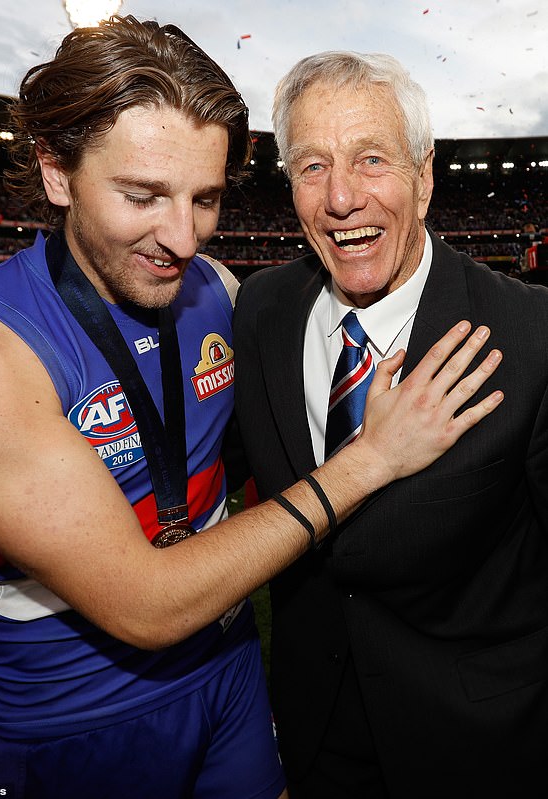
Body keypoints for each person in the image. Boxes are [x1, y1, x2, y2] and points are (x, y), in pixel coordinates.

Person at [0, 19, 502, 799]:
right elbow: (143, 605)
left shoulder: (222, 294)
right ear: (56, 171)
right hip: (77, 711)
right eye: (143, 195)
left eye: (206, 199)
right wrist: (373, 459)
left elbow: (241, 446)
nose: (182, 237)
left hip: (231, 677)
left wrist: (0, 530)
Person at [232, 50, 548, 798]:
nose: (340, 198)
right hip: (314, 740)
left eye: (371, 159)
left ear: (424, 173)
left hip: (482, 752)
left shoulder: (529, 332)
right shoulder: (260, 313)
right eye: (312, 167)